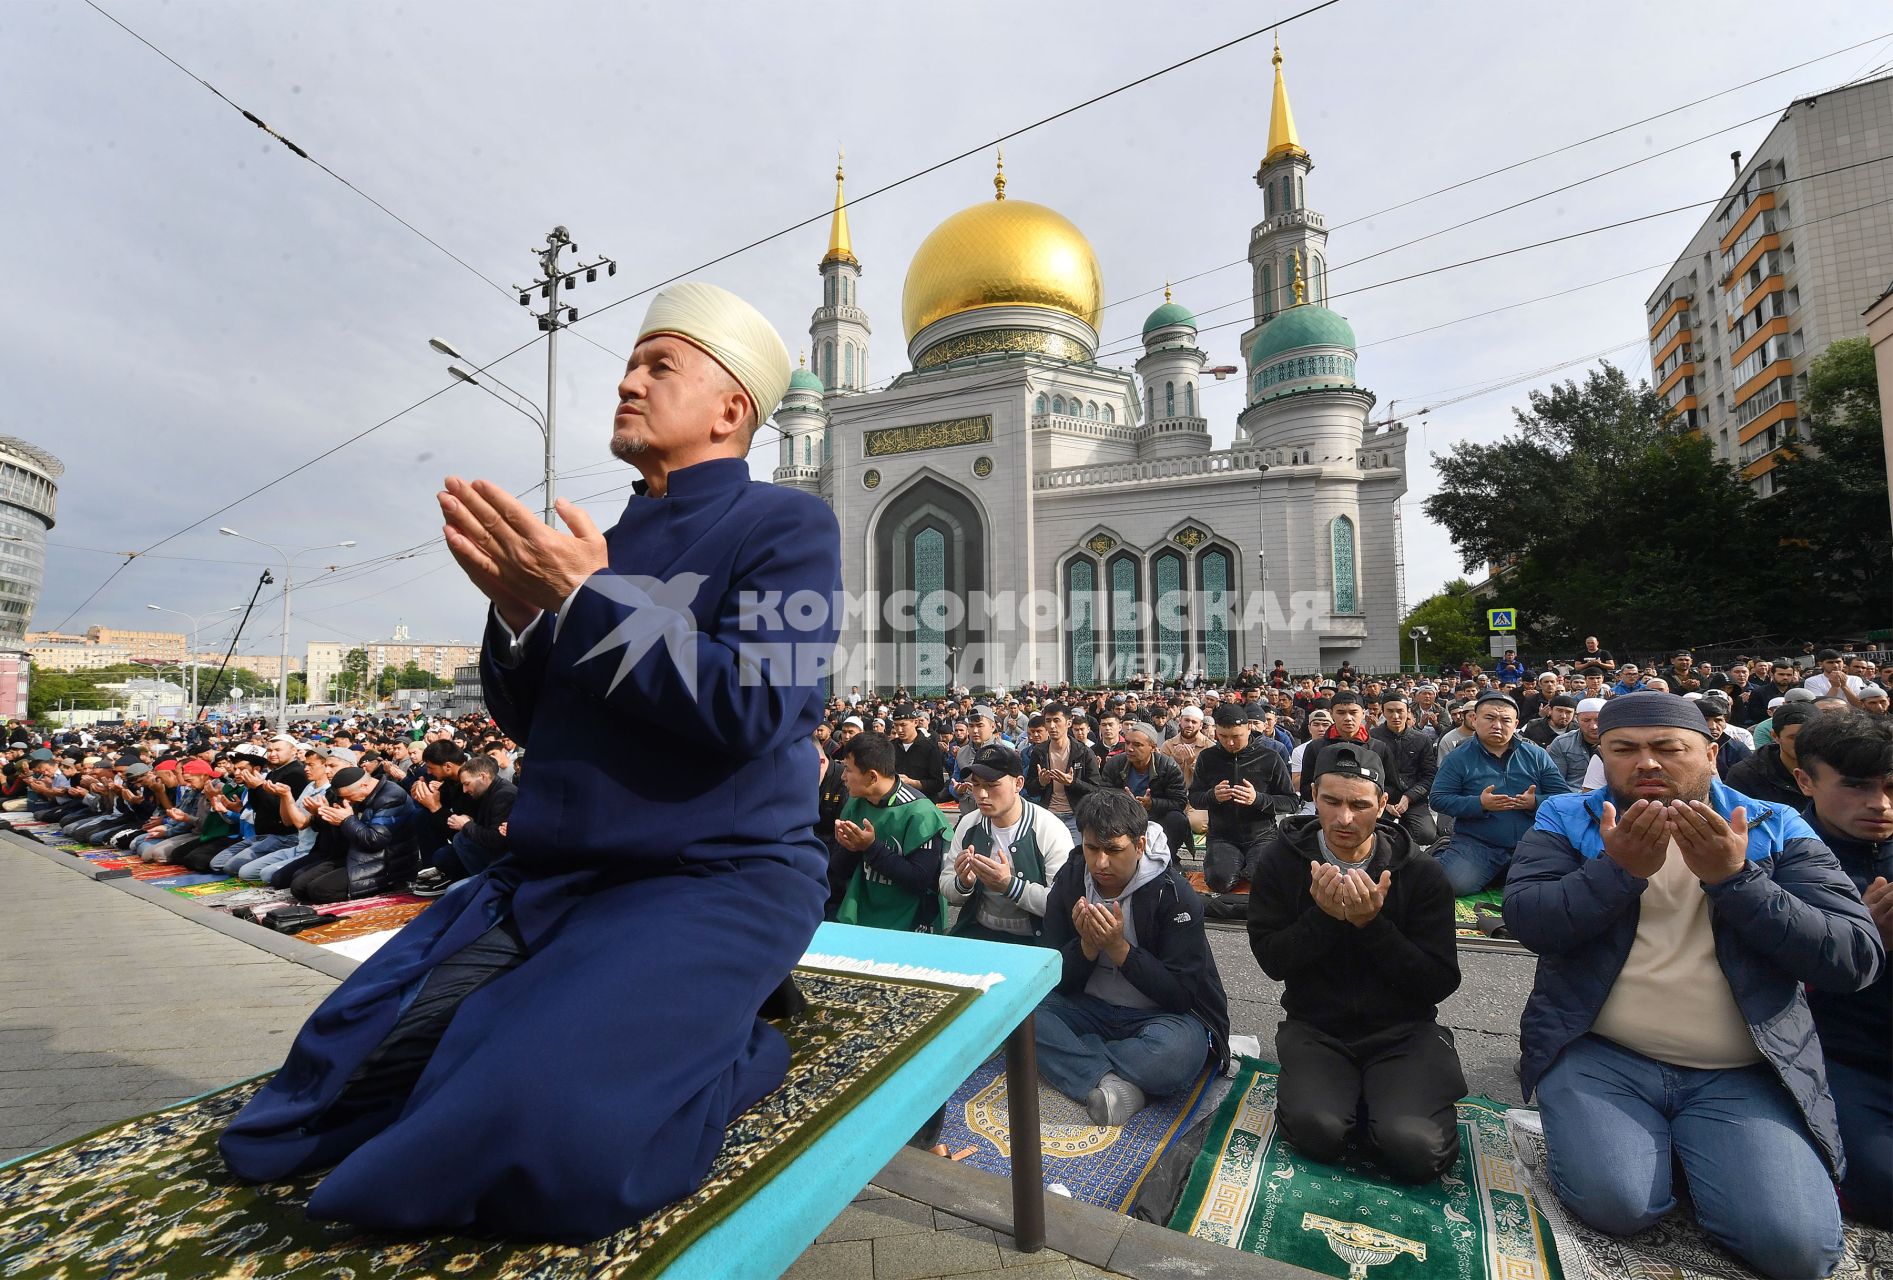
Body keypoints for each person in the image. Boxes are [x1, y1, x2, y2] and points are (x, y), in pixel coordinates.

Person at [221, 281, 841, 1241]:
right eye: (631, 363)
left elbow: (758, 705)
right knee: (305, 1110)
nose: (628, 382)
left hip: (709, 878)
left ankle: (739, 1049)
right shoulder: (599, 541)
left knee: (532, 1136)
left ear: (731, 409)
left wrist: (585, 596)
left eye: (658, 366)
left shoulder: (786, 528)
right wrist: (519, 618)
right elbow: (532, 717)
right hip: (552, 878)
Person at [1504, 693, 1882, 1279]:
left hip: (1742, 1072)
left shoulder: (1770, 824)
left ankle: (1697, 1148)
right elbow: (1530, 920)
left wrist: (1735, 879)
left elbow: (1851, 957)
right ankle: (1655, 1145)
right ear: (1602, 757)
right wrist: (1618, 870)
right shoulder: (1569, 817)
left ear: (1711, 754)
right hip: (1603, 1053)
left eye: (1667, 748)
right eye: (1624, 750)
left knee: (1796, 1251)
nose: (1646, 764)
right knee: (1619, 1205)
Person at [1247, 745, 1464, 1182]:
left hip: (1402, 1031)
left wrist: (1372, 925)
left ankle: (1388, 1099)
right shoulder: (1281, 861)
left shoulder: (1420, 873)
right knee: (1317, 1133)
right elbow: (1272, 959)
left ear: (1383, 804)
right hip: (1317, 1027)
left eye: (1359, 805)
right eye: (1332, 802)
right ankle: (1355, 1099)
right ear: (1312, 795)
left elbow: (1439, 980)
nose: (1345, 818)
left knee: (1416, 1152)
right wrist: (1324, 918)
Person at [1037, 791, 1230, 1125]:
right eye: (1091, 848)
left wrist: (1119, 949)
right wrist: (1086, 948)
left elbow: (1180, 994)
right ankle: (1114, 1084)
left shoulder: (1174, 894)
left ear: (1139, 846)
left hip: (1157, 1016)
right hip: (1088, 1006)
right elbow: (1050, 972)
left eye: (1113, 850)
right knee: (1019, 1017)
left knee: (1177, 1055)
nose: (1100, 863)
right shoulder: (1071, 880)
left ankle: (1081, 1061)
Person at [1787, 712, 1893, 1226]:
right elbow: (1747, 987)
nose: (1880, 804)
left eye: (1891, 786)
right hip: (1833, 1057)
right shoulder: (1775, 856)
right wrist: (1854, 946)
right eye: (1856, 786)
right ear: (1805, 779)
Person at [1428, 691, 1570, 895]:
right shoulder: (1458, 757)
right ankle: (1446, 851)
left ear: (1516, 723)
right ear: (1475, 720)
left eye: (1505, 720)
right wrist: (1480, 804)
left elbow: (1562, 796)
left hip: (1531, 842)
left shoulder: (1536, 755)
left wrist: (1535, 802)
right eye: (1490, 718)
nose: (1497, 725)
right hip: (1477, 843)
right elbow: (1438, 800)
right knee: (1452, 884)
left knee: (1560, 882)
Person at [940, 741, 1072, 943]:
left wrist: (1009, 885)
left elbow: (1062, 901)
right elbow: (947, 885)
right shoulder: (969, 824)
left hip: (1035, 940)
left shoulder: (1049, 829)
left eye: (992, 786)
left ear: (1018, 783)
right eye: (976, 785)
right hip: (979, 933)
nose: (982, 795)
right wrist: (963, 883)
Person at [833, 730, 954, 932]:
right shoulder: (855, 803)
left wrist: (871, 847)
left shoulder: (920, 812)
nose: (843, 777)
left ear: (872, 776)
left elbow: (920, 879)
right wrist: (848, 847)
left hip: (909, 926)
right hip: (863, 917)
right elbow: (840, 871)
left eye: (848, 770)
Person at [1190, 702, 1298, 898]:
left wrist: (1258, 799)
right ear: (1216, 732)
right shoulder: (1208, 757)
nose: (1230, 743)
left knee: (1264, 880)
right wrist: (1212, 796)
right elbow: (1194, 798)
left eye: (1236, 737)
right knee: (1219, 881)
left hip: (1261, 835)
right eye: (1223, 737)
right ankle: (1236, 864)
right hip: (1222, 836)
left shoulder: (1270, 757)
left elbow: (1291, 802)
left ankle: (1251, 866)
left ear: (1249, 728)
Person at [287, 765, 422, 904]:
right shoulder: (359, 794)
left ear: (363, 785)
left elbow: (375, 840)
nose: (347, 801)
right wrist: (327, 815)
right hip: (357, 854)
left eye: (348, 797)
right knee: (298, 884)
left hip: (386, 863)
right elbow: (345, 835)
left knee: (319, 890)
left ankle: (390, 887)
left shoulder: (392, 796)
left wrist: (346, 820)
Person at [410, 755, 515, 896]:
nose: (465, 790)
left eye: (467, 784)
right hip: (486, 847)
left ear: (483, 777)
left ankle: (485, 883)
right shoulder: (485, 790)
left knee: (460, 841)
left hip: (503, 859)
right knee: (444, 853)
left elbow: (497, 840)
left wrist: (466, 825)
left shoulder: (504, 795)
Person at [1102, 720, 1193, 858]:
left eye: (1137, 745)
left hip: (1156, 816)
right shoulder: (1115, 764)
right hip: (1122, 816)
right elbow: (1103, 794)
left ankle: (1167, 858)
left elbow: (1180, 802)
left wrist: (1152, 804)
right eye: (1127, 743)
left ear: (1152, 747)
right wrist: (1125, 802)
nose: (1129, 748)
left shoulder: (1168, 767)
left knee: (1177, 819)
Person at [1024, 702, 1101, 844]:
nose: (1052, 726)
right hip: (1048, 814)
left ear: (1068, 723)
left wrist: (1072, 782)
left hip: (1074, 815)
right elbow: (1030, 788)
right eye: (1048, 721)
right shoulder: (1040, 752)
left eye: (1056, 720)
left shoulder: (1083, 752)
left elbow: (1096, 789)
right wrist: (1041, 783)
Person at [1726, 700, 1822, 811]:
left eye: (1810, 736)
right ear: (1775, 736)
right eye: (1793, 737)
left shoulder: (1838, 767)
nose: (1803, 743)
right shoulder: (1746, 775)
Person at [1370, 694, 1438, 846]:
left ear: (1408, 711)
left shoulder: (1422, 739)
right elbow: (1368, 774)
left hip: (1414, 797)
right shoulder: (1372, 739)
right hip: (1380, 797)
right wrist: (1383, 800)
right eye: (1390, 711)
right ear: (1383, 712)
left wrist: (1409, 797)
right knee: (1377, 834)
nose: (1395, 716)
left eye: (1400, 711)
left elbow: (1429, 775)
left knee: (1427, 835)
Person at [888, 704, 950, 802]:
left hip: (922, 803)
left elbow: (938, 784)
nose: (899, 730)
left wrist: (912, 783)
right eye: (896, 725)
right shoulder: (890, 747)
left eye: (903, 725)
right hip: (896, 804)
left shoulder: (930, 748)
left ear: (915, 722)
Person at [1548, 697, 1605, 791]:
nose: (1593, 726)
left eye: (1598, 720)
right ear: (1576, 719)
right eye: (1586, 720)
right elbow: (1557, 783)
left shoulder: (1620, 743)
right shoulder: (1562, 743)